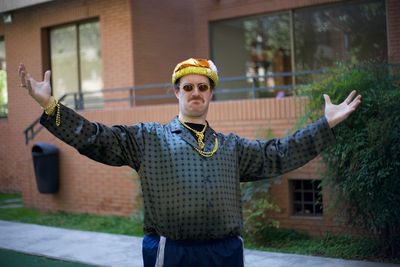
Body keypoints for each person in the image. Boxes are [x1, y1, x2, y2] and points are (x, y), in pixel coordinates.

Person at [18, 58, 361, 267]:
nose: (195, 92)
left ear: (211, 93)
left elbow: (279, 153)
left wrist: (325, 124)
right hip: (171, 253)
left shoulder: (231, 147)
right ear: (177, 93)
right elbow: (95, 137)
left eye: (202, 87)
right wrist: (51, 106)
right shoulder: (146, 138)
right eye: (188, 87)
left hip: (225, 254)